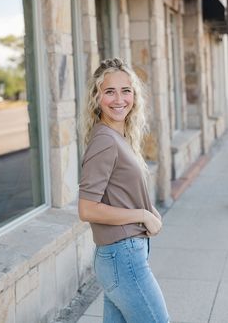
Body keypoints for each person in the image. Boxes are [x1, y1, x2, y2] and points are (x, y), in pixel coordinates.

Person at [78, 58, 169, 323]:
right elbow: (87, 209)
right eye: (109, 91)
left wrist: (149, 210)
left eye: (125, 90)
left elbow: (121, 191)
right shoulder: (105, 141)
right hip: (123, 256)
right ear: (97, 97)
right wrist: (142, 214)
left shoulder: (117, 137)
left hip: (121, 255)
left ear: (134, 95)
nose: (119, 99)